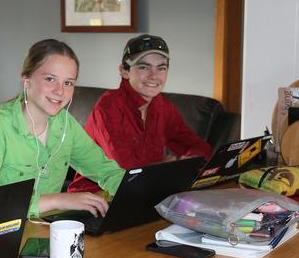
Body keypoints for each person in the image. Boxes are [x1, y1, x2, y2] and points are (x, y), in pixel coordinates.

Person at [0, 39, 125, 218]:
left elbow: (106, 171)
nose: (60, 91)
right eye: (50, 79)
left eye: (68, 83)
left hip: (47, 231)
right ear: (26, 80)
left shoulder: (66, 125)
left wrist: (141, 193)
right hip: (0, 235)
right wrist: (56, 200)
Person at [68, 34, 212, 193]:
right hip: (97, 197)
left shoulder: (163, 106)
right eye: (143, 67)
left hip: (150, 190)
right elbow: (125, 172)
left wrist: (189, 160)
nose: (154, 75)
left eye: (161, 68)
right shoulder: (109, 106)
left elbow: (199, 147)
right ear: (124, 71)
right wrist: (168, 167)